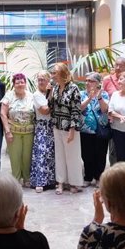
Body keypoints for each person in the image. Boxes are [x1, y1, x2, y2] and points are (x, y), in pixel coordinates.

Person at [49, 62, 84, 195]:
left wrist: (72, 129)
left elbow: (76, 109)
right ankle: (61, 182)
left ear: (62, 73)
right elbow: (51, 106)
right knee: (60, 156)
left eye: (55, 73)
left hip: (70, 127)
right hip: (57, 126)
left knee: (72, 156)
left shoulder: (73, 88)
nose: (52, 75)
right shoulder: (55, 87)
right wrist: (50, 92)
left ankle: (74, 183)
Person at [0, 73, 35, 187]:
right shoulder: (8, 96)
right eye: (17, 82)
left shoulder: (31, 96)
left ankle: (27, 178)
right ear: (14, 84)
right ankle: (15, 179)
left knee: (27, 156)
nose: (20, 84)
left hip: (29, 131)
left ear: (25, 83)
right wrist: (7, 131)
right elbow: (3, 114)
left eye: (22, 82)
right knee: (15, 156)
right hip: (13, 131)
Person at [79, 72, 110, 187]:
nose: (87, 83)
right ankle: (88, 177)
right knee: (86, 155)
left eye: (91, 81)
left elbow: (104, 110)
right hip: (85, 130)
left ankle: (98, 177)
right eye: (86, 80)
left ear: (98, 83)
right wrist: (89, 99)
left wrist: (99, 97)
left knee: (100, 155)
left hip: (100, 130)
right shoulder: (81, 94)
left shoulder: (104, 94)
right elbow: (79, 108)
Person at [30, 70, 56, 193]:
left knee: (52, 154)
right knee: (42, 154)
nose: (41, 82)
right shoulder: (36, 95)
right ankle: (39, 181)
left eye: (43, 79)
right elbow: (45, 111)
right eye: (39, 79)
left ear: (49, 81)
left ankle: (52, 180)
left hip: (53, 126)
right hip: (42, 127)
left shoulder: (53, 92)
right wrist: (53, 100)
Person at [102, 57, 125, 166]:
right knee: (113, 149)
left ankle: (124, 172)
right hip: (111, 119)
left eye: (121, 65)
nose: (118, 68)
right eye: (116, 65)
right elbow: (102, 96)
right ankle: (115, 173)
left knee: (124, 149)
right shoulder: (107, 79)